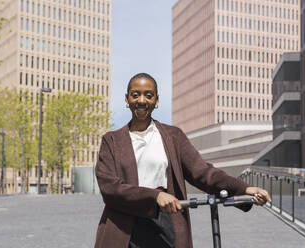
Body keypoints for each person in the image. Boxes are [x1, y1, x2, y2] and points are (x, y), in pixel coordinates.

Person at [94, 73, 271, 248]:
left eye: (148, 95)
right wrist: (155, 196)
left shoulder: (173, 136)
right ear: (127, 99)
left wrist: (244, 188)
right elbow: (110, 187)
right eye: (135, 95)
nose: (141, 100)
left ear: (156, 100)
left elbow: (202, 172)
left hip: (165, 222)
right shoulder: (112, 141)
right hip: (123, 228)